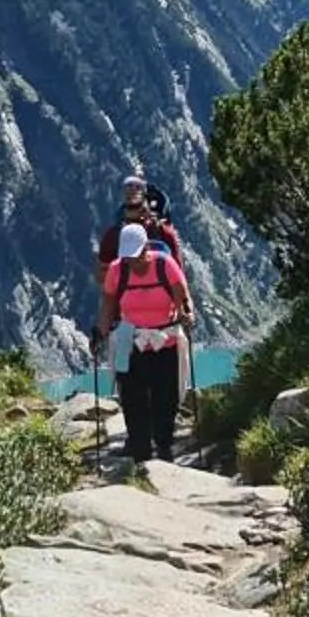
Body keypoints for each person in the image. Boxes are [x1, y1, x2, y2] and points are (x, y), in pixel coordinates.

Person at [97, 221, 194, 466]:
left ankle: (163, 447)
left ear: (145, 249)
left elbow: (182, 297)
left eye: (136, 255)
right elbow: (109, 304)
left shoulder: (166, 265)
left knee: (166, 396)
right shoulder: (117, 270)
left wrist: (187, 315)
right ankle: (140, 451)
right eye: (127, 256)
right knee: (131, 397)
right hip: (129, 338)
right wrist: (100, 331)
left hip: (165, 338)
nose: (132, 261)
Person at [95, 177, 182, 273]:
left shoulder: (163, 232)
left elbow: (178, 270)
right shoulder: (113, 236)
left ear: (146, 213)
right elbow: (102, 272)